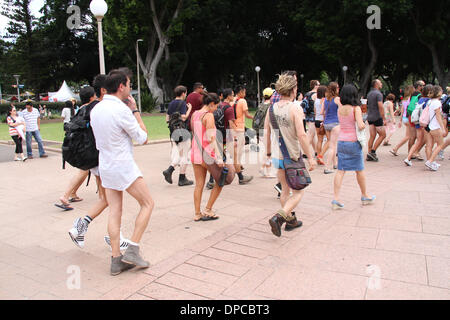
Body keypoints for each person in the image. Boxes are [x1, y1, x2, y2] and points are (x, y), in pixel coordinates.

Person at [90, 68, 154, 276]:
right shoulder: (121, 110)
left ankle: (116, 258)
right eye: (129, 84)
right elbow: (143, 137)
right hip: (122, 164)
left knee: (114, 211)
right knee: (147, 203)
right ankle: (133, 249)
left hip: (105, 164)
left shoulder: (97, 109)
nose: (131, 88)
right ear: (121, 86)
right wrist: (135, 111)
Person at [265, 73, 316, 238]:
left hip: (277, 154)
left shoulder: (271, 108)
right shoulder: (295, 108)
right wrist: (311, 156)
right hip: (292, 155)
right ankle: (279, 217)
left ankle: (290, 220)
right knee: (298, 192)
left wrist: (267, 151)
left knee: (284, 191)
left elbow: (266, 131)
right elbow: (301, 135)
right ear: (293, 89)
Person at [332, 84, 375, 210]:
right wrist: (362, 121)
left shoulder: (340, 109)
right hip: (353, 142)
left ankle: (336, 198)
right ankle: (364, 195)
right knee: (359, 170)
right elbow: (361, 125)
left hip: (342, 142)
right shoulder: (355, 109)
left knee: (341, 170)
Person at [191, 93, 225, 221]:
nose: (216, 109)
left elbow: (194, 133)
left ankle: (197, 213)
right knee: (221, 181)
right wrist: (218, 157)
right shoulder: (209, 115)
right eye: (216, 106)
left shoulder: (195, 114)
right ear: (211, 104)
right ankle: (208, 209)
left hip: (195, 152)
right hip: (207, 154)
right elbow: (212, 138)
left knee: (199, 184)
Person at [163, 85, 194, 187]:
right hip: (183, 132)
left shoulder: (171, 103)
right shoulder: (182, 103)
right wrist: (189, 109)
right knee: (185, 155)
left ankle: (170, 170)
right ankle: (182, 178)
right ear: (183, 93)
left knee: (179, 154)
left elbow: (167, 119)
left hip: (173, 132)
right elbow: (184, 118)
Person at [404, 84, 432, 166]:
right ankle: (430, 161)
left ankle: (408, 157)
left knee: (418, 140)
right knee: (428, 142)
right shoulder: (429, 101)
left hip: (417, 121)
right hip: (425, 123)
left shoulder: (420, 99)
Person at [232, 85, 254, 185]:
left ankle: (238, 165)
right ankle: (238, 167)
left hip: (232, 126)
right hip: (240, 127)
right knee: (239, 150)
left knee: (236, 148)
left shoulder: (232, 100)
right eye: (244, 92)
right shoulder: (242, 101)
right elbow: (247, 114)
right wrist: (255, 118)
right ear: (240, 92)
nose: (245, 94)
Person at [425, 85, 447, 171]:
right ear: (438, 92)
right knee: (440, 144)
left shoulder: (430, 102)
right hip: (435, 126)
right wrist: (443, 128)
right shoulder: (437, 103)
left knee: (430, 145)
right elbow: (438, 116)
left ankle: (430, 160)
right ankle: (430, 161)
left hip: (430, 126)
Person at [255, 88, 275, 177]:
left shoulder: (261, 105)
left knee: (267, 150)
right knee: (269, 151)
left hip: (260, 130)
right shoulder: (271, 106)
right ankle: (266, 171)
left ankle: (264, 169)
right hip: (267, 130)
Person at [322, 82, 341, 174]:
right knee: (333, 146)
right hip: (335, 123)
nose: (339, 88)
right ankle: (327, 167)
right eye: (337, 87)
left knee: (332, 144)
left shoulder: (326, 99)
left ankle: (335, 163)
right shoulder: (337, 99)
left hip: (326, 123)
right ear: (335, 89)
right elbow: (342, 111)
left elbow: (323, 112)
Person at [390, 85, 415, 156]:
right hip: (408, 118)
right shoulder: (411, 99)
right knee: (408, 136)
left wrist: (400, 120)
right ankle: (396, 148)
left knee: (408, 136)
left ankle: (396, 148)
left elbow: (402, 110)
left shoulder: (404, 100)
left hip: (404, 118)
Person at [366, 79, 386, 162]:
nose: (381, 84)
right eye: (380, 83)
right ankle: (373, 151)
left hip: (370, 117)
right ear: (376, 84)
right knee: (383, 135)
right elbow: (380, 106)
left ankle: (369, 153)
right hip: (377, 117)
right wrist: (383, 117)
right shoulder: (378, 94)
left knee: (372, 136)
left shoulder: (369, 93)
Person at [304, 80, 320, 157]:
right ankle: (305, 152)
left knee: (312, 134)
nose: (319, 86)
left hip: (307, 115)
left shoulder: (307, 94)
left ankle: (316, 151)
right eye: (318, 85)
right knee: (311, 134)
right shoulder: (316, 95)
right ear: (315, 86)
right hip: (313, 116)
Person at [315, 85, 328, 165]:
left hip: (316, 120)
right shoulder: (325, 100)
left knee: (319, 140)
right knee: (329, 140)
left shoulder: (316, 100)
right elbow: (325, 111)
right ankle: (321, 155)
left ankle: (318, 156)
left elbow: (315, 111)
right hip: (323, 120)